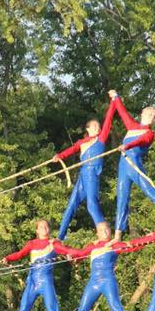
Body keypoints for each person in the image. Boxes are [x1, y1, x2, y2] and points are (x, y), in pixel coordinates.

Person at [65, 221, 151, 311]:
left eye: (106, 229)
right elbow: (80, 255)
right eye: (101, 230)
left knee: (116, 306)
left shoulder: (114, 245)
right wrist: (70, 256)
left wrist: (150, 238)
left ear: (111, 231)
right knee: (82, 309)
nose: (104, 232)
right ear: (97, 233)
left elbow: (132, 246)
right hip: (93, 282)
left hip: (108, 280)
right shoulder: (92, 246)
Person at [2, 220, 81, 311]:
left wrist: (75, 255)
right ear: (37, 230)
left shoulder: (53, 244)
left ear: (49, 229)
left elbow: (67, 250)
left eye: (46, 226)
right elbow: (19, 254)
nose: (44, 228)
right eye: (41, 227)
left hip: (46, 282)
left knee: (52, 309)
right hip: (32, 283)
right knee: (23, 310)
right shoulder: (31, 243)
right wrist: (8, 258)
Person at [107, 90, 155, 242]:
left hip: (134, 164)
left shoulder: (149, 133)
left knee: (148, 189)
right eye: (150, 114)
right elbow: (122, 112)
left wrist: (127, 146)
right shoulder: (132, 126)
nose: (152, 118)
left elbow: (140, 141)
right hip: (123, 166)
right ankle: (117, 235)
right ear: (142, 114)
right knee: (122, 198)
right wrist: (116, 97)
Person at [54, 100, 118, 240]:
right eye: (95, 126)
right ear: (88, 129)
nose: (98, 128)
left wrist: (114, 102)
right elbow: (71, 150)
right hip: (83, 174)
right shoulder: (81, 142)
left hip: (92, 173)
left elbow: (108, 120)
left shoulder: (101, 139)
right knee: (71, 206)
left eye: (99, 126)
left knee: (91, 205)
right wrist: (59, 156)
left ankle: (104, 235)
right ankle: (60, 237)